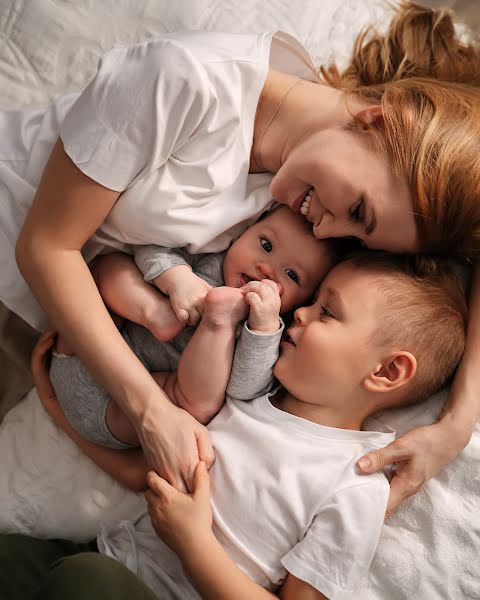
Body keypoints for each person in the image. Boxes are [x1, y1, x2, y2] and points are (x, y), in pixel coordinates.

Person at [0, 2, 479, 507]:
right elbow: (44, 247)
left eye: (358, 236)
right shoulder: (182, 81)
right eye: (358, 210)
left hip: (67, 323)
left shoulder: (314, 175)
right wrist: (149, 411)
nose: (327, 228)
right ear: (378, 120)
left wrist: (454, 426)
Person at [0, 251, 468, 599]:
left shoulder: (356, 485)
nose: (298, 311)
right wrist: (57, 408)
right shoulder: (249, 400)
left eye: (328, 311)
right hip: (107, 556)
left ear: (386, 372)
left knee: (86, 582)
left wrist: (194, 545)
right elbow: (140, 472)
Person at [49, 205, 335, 449]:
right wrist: (176, 278)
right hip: (85, 348)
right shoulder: (212, 255)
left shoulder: (269, 329)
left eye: (291, 275)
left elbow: (244, 390)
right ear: (245, 231)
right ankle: (155, 314)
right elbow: (149, 246)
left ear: (304, 300)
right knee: (109, 266)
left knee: (197, 405)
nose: (266, 268)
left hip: (117, 413)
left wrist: (262, 329)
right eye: (266, 245)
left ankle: (217, 322)